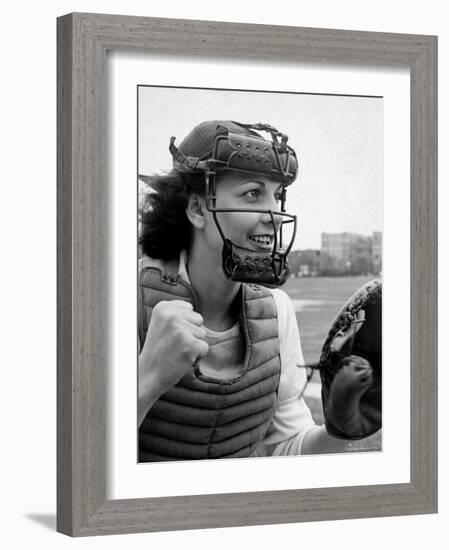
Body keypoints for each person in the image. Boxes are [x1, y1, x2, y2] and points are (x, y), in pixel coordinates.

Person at [137, 120, 372, 462]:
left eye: (276, 196)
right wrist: (148, 377)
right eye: (252, 194)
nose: (275, 215)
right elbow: (73, 471)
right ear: (197, 208)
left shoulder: (277, 310)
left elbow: (285, 448)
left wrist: (340, 428)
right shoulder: (120, 302)